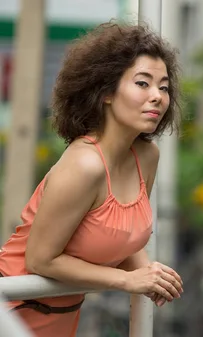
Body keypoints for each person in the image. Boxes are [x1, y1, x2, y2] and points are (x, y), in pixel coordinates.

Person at [0, 21, 183, 336]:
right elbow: (41, 260)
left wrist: (149, 274)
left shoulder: (146, 157)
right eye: (143, 83)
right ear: (107, 92)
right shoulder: (85, 164)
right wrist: (128, 280)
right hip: (13, 309)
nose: (157, 96)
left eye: (163, 87)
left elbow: (127, 237)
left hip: (61, 315)